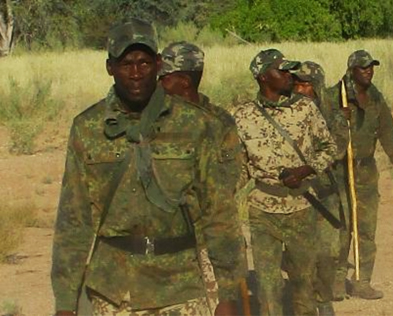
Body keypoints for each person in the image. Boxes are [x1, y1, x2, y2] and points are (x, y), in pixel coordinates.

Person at [51, 18, 246, 316]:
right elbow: (73, 222)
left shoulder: (195, 124)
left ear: (158, 65)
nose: (136, 73)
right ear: (110, 67)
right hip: (113, 291)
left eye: (144, 62)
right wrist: (66, 303)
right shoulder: (87, 128)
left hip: (180, 288)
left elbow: (219, 214)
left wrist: (228, 293)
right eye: (126, 63)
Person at [234, 49, 337, 316]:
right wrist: (225, 204)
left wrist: (305, 170)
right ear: (262, 77)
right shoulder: (242, 115)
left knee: (303, 283)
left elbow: (329, 148)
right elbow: (239, 167)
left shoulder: (305, 108)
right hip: (262, 213)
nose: (289, 76)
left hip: (301, 208)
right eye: (282, 71)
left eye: (290, 70)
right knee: (268, 289)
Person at [158, 41, 243, 313]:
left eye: (164, 78)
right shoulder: (153, 121)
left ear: (183, 81)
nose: (157, 84)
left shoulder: (219, 122)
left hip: (210, 239)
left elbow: (232, 177)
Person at [327, 49, 393, 300]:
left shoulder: (375, 97)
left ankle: (362, 281)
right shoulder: (335, 96)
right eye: (363, 67)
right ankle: (336, 280)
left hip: (366, 170)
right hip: (340, 170)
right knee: (341, 229)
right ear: (351, 69)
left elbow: (387, 130)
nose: (368, 71)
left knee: (366, 228)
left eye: (371, 67)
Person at [291, 61, 348, 316]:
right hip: (295, 196)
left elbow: (337, 149)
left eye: (307, 85)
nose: (302, 90)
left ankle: (323, 299)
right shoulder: (286, 116)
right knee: (299, 256)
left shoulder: (333, 116)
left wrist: (306, 164)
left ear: (317, 88)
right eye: (297, 84)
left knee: (327, 254)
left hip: (325, 195)